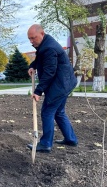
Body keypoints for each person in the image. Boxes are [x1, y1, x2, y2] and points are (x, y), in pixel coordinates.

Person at [26, 24, 78, 153]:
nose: (31, 41)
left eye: (33, 38)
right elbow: (40, 58)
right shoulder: (45, 44)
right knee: (59, 112)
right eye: (29, 39)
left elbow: (50, 71)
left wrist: (38, 91)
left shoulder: (49, 47)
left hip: (60, 85)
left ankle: (45, 144)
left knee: (47, 111)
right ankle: (71, 139)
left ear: (42, 34)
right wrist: (33, 65)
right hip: (65, 83)